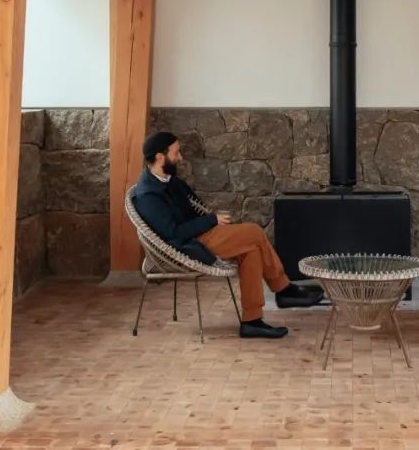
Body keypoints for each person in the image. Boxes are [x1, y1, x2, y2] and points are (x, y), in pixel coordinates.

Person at [131, 130, 323, 339]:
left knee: (251, 252)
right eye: (176, 153)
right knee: (253, 231)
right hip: (188, 245)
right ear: (160, 157)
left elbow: (192, 209)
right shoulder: (148, 195)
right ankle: (283, 290)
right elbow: (173, 233)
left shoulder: (169, 181)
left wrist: (210, 220)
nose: (180, 157)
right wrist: (211, 220)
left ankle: (252, 321)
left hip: (201, 233)